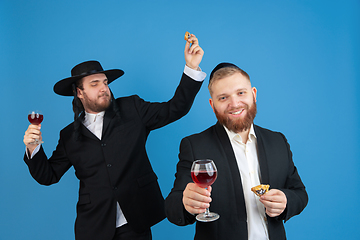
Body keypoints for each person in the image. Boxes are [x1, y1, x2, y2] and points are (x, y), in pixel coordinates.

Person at [23, 34, 205, 240]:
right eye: (94, 84)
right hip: (93, 227)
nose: (103, 88)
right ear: (79, 93)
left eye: (105, 82)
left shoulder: (132, 108)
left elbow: (176, 108)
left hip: (136, 222)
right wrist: (33, 147)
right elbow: (48, 176)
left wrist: (191, 68)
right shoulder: (68, 136)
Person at [165, 62, 308, 240]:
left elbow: (300, 193)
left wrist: (286, 201)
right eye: (223, 98)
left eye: (241, 93)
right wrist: (185, 203)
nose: (235, 103)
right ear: (212, 104)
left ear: (254, 94)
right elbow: (172, 207)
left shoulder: (278, 141)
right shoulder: (194, 145)